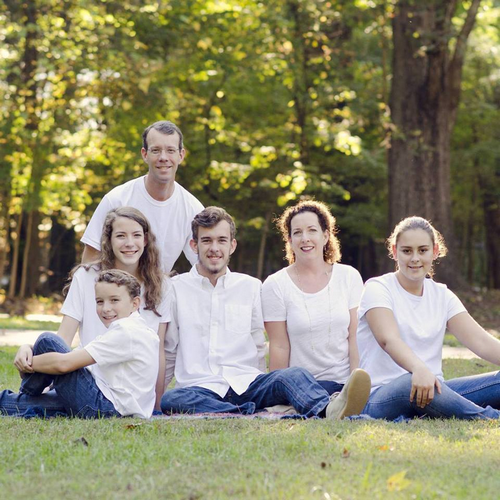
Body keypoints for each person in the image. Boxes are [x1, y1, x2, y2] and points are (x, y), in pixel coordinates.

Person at [160, 206, 369, 419]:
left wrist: (269, 387)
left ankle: (327, 410)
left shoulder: (250, 287)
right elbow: (169, 350)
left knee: (293, 375)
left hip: (248, 384)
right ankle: (244, 414)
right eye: (207, 240)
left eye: (222, 240)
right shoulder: (175, 289)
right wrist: (155, 402)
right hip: (200, 387)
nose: (215, 248)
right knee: (172, 400)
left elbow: (258, 343)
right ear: (194, 245)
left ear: (232, 245)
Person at [14, 207, 170, 407]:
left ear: (146, 240)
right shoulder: (86, 276)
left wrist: (155, 406)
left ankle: (23, 398)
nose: (129, 243)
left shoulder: (162, 285)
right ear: (109, 240)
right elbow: (62, 340)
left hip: (117, 393)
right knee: (47, 342)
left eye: (136, 235)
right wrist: (29, 349)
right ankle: (26, 398)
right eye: (121, 236)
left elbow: (159, 352)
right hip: (85, 375)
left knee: (30, 404)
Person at [357, 216, 500, 420]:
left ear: (434, 251)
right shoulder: (377, 288)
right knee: (408, 381)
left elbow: (481, 342)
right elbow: (388, 339)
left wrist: (424, 374)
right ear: (395, 251)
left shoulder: (442, 295)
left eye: (422, 250)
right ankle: (489, 418)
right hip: (383, 396)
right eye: (407, 251)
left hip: (433, 391)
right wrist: (418, 368)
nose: (415, 258)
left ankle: (453, 406)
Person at [0, 270, 159, 419]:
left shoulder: (127, 332)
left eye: (114, 300)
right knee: (18, 403)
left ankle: (26, 393)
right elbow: (74, 357)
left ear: (135, 303)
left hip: (103, 406)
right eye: (99, 301)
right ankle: (19, 398)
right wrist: (26, 348)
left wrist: (28, 363)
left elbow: (64, 363)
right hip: (109, 403)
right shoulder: (136, 328)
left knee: (47, 341)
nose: (106, 308)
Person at [262, 200, 368, 399]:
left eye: (312, 230)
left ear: (326, 235)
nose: (305, 238)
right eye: (297, 232)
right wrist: (278, 396)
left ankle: (337, 403)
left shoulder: (348, 276)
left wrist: (354, 388)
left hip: (342, 384)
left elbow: (355, 338)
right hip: (300, 386)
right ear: (290, 240)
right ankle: (328, 407)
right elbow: (279, 346)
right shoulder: (275, 285)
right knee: (305, 390)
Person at [81, 120, 204, 271]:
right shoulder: (117, 199)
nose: (163, 157)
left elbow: (204, 264)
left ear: (181, 155)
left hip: (158, 292)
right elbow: (90, 260)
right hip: (115, 290)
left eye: (170, 150)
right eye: (156, 150)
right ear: (145, 154)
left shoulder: (192, 208)